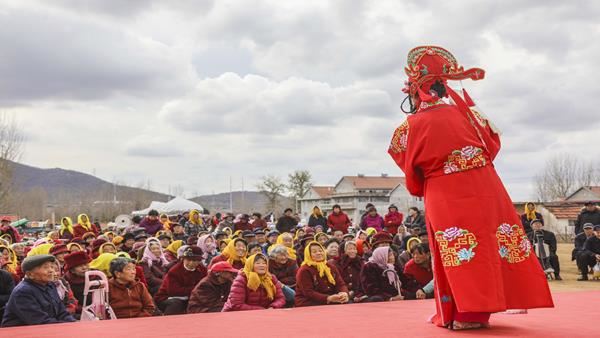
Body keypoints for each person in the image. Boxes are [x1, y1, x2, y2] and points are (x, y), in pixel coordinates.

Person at [387, 46, 553, 329]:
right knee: (489, 243)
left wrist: (430, 179)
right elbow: (493, 143)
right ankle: (468, 312)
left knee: (457, 248)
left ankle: (462, 313)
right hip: (485, 184)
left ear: (415, 90)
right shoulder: (469, 113)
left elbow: (406, 163)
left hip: (445, 189)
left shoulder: (411, 125)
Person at [1, 255, 76, 327]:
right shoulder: (23, 292)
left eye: (52, 267)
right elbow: (39, 321)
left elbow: (62, 312)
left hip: (49, 328)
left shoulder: (50, 285)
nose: (51, 271)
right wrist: (65, 326)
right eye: (45, 267)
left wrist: (73, 324)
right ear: (30, 274)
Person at [154, 246, 207, 315]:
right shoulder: (174, 271)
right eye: (188, 260)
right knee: (176, 304)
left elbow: (205, 286)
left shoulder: (202, 270)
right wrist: (196, 289)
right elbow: (174, 291)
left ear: (199, 261)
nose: (191, 263)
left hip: (191, 296)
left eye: (194, 260)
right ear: (183, 259)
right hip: (166, 297)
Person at [295, 241, 349, 307]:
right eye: (314, 252)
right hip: (308, 302)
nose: (319, 253)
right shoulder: (304, 270)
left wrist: (344, 293)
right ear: (308, 254)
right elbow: (308, 292)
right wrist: (328, 298)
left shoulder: (330, 266)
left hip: (331, 300)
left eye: (320, 251)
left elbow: (340, 284)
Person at [62, 251, 91, 316]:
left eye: (86, 264)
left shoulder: (97, 275)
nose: (84, 268)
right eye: (80, 266)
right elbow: (69, 302)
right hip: (78, 313)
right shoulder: (66, 281)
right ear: (72, 270)